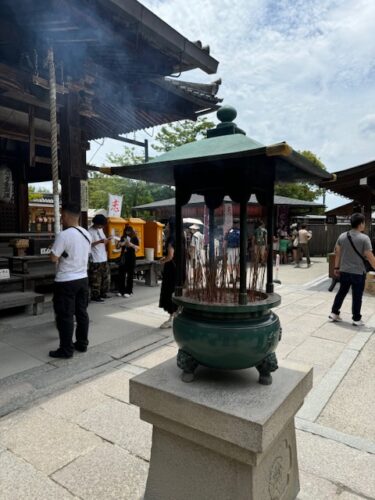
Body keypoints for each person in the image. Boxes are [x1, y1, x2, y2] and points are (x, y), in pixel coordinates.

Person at [49, 202, 91, 358]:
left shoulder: (64, 235)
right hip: (82, 278)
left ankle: (66, 349)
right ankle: (82, 343)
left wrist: (54, 251)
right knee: (81, 313)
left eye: (61, 216)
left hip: (66, 280)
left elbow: (54, 258)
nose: (61, 219)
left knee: (65, 315)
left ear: (65, 215)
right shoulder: (87, 234)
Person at [329, 213, 375, 326]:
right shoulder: (364, 238)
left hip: (344, 270)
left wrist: (336, 267)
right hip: (358, 272)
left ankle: (334, 313)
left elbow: (337, 252)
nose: (364, 225)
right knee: (357, 296)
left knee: (341, 292)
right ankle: (356, 318)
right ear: (360, 224)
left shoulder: (342, 236)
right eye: (363, 222)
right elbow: (369, 256)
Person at [159, 217, 179, 329]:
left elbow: (170, 256)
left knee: (169, 291)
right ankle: (176, 315)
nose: (166, 226)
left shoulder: (171, 238)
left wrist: (163, 260)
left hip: (171, 269)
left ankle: (171, 318)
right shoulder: (181, 236)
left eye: (167, 224)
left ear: (171, 225)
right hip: (179, 268)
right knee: (176, 291)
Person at [88, 214, 111, 302]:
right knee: (96, 279)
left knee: (105, 278)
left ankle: (103, 293)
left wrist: (107, 240)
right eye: (100, 225)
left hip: (103, 257)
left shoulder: (100, 229)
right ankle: (95, 296)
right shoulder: (90, 231)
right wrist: (100, 241)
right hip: (95, 259)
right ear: (96, 223)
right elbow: (89, 245)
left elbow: (104, 242)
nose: (101, 226)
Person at [117, 225, 139, 297]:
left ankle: (129, 291)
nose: (127, 232)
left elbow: (137, 248)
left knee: (130, 275)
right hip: (123, 257)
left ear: (131, 231)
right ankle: (121, 290)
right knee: (121, 275)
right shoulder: (123, 237)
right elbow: (118, 246)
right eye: (126, 231)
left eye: (129, 231)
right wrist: (121, 244)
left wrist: (131, 244)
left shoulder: (134, 238)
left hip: (131, 257)